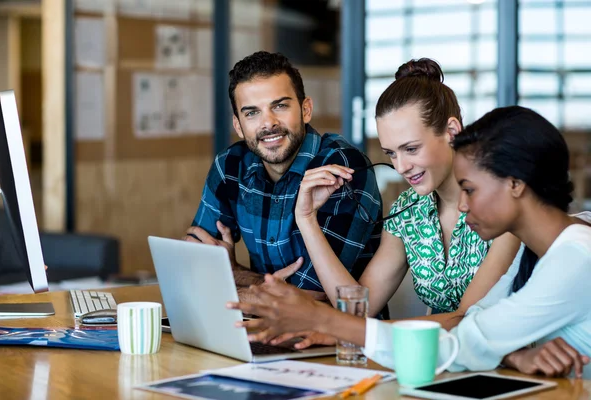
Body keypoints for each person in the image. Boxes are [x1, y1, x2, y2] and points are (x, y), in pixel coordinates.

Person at [229, 106, 591, 378]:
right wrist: (512, 353)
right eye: (390, 154)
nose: (463, 205)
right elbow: (475, 326)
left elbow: (463, 341)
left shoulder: (575, 257)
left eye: (470, 190)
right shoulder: (536, 251)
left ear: (515, 184)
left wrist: (323, 319)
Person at [278, 58, 520, 339]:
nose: (401, 166)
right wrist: (306, 219)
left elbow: (465, 320)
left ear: (452, 132)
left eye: (411, 148)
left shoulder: (502, 202)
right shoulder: (409, 210)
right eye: (391, 153)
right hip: (442, 362)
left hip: (510, 366)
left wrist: (343, 330)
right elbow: (358, 309)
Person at [186, 51, 382, 302]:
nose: (268, 123)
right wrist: (247, 282)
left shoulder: (341, 168)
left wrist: (232, 276)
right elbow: (195, 266)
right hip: (254, 328)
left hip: (335, 338)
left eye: (279, 106)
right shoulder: (230, 166)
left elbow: (316, 297)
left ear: (306, 109)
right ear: (238, 125)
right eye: (252, 113)